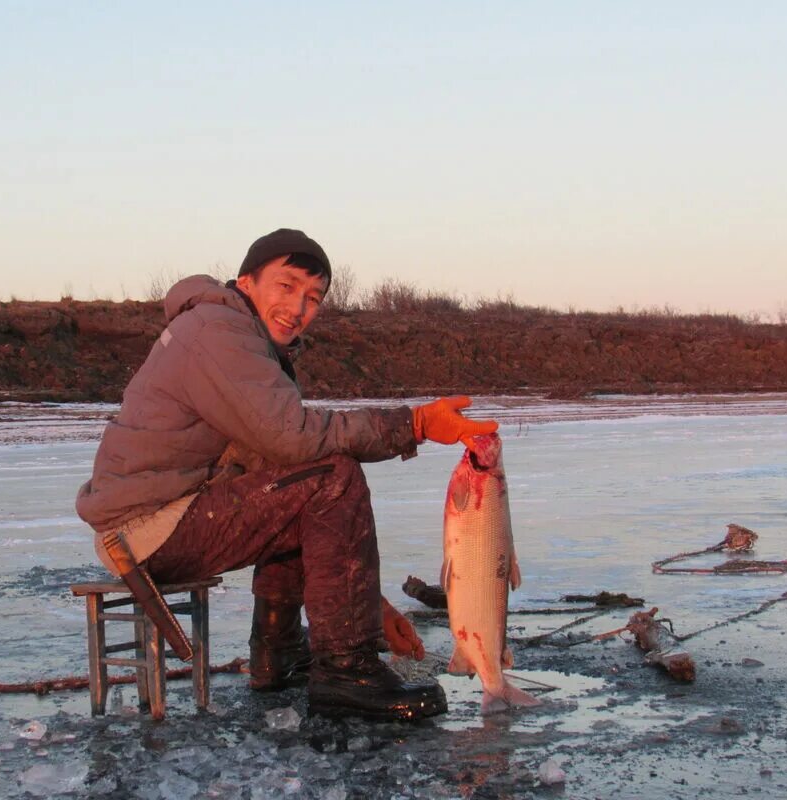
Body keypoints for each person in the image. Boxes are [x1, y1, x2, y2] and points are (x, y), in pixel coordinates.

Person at [76, 228, 497, 721]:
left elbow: (277, 464)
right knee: (332, 479)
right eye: (286, 285)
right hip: (146, 530)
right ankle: (346, 671)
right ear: (247, 282)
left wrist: (371, 605)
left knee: (302, 483)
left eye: (313, 297)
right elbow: (292, 436)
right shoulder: (218, 333)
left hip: (159, 519)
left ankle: (278, 655)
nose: (298, 307)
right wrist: (415, 424)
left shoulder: (236, 337)